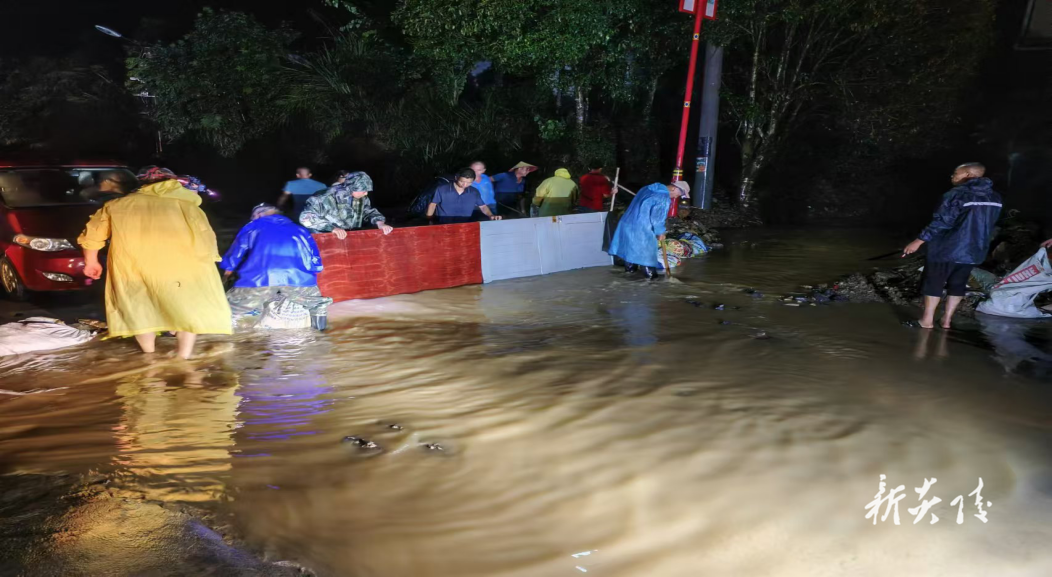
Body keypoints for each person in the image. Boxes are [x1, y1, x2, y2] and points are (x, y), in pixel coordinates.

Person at [78, 166, 232, 359]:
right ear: (172, 183)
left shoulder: (116, 205)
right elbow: (207, 240)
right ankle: (183, 357)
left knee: (140, 308)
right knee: (187, 310)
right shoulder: (189, 206)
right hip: (184, 268)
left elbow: (92, 236)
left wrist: (91, 262)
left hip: (133, 268)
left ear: (141, 183)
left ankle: (149, 357)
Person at [903, 162, 1003, 329]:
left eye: (956, 173)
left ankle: (926, 321)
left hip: (947, 248)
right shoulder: (995, 197)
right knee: (958, 283)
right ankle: (947, 320)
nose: (952, 176)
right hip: (974, 250)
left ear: (968, 175)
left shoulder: (956, 194)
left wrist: (918, 241)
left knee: (934, 282)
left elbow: (942, 221)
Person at [221, 204, 333, 331]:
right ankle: (321, 334)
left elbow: (237, 251)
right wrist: (311, 275)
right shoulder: (299, 229)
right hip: (298, 278)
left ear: (258, 214)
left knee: (233, 307)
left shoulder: (252, 226)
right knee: (317, 304)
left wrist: (228, 270)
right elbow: (314, 257)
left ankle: (222, 338)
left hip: (260, 279)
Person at [608, 181, 690, 279]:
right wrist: (660, 232)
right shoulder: (663, 198)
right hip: (641, 229)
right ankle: (651, 284)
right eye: (678, 195)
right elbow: (657, 219)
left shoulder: (647, 188)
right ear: (674, 188)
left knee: (630, 255)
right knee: (647, 259)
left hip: (626, 224)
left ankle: (630, 278)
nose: (675, 197)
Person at [299, 171, 394, 240]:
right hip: (325, 240)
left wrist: (380, 223)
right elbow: (305, 218)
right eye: (364, 191)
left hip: (350, 239)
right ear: (352, 188)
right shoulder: (323, 197)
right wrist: (333, 229)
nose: (366, 194)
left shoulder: (361, 197)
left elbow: (367, 212)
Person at [427, 168, 503, 224]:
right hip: (443, 224)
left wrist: (491, 215)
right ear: (456, 178)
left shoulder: (474, 192)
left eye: (469, 182)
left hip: (464, 224)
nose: (465, 185)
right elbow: (433, 205)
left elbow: (483, 207)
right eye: (462, 181)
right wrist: (429, 220)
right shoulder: (442, 189)